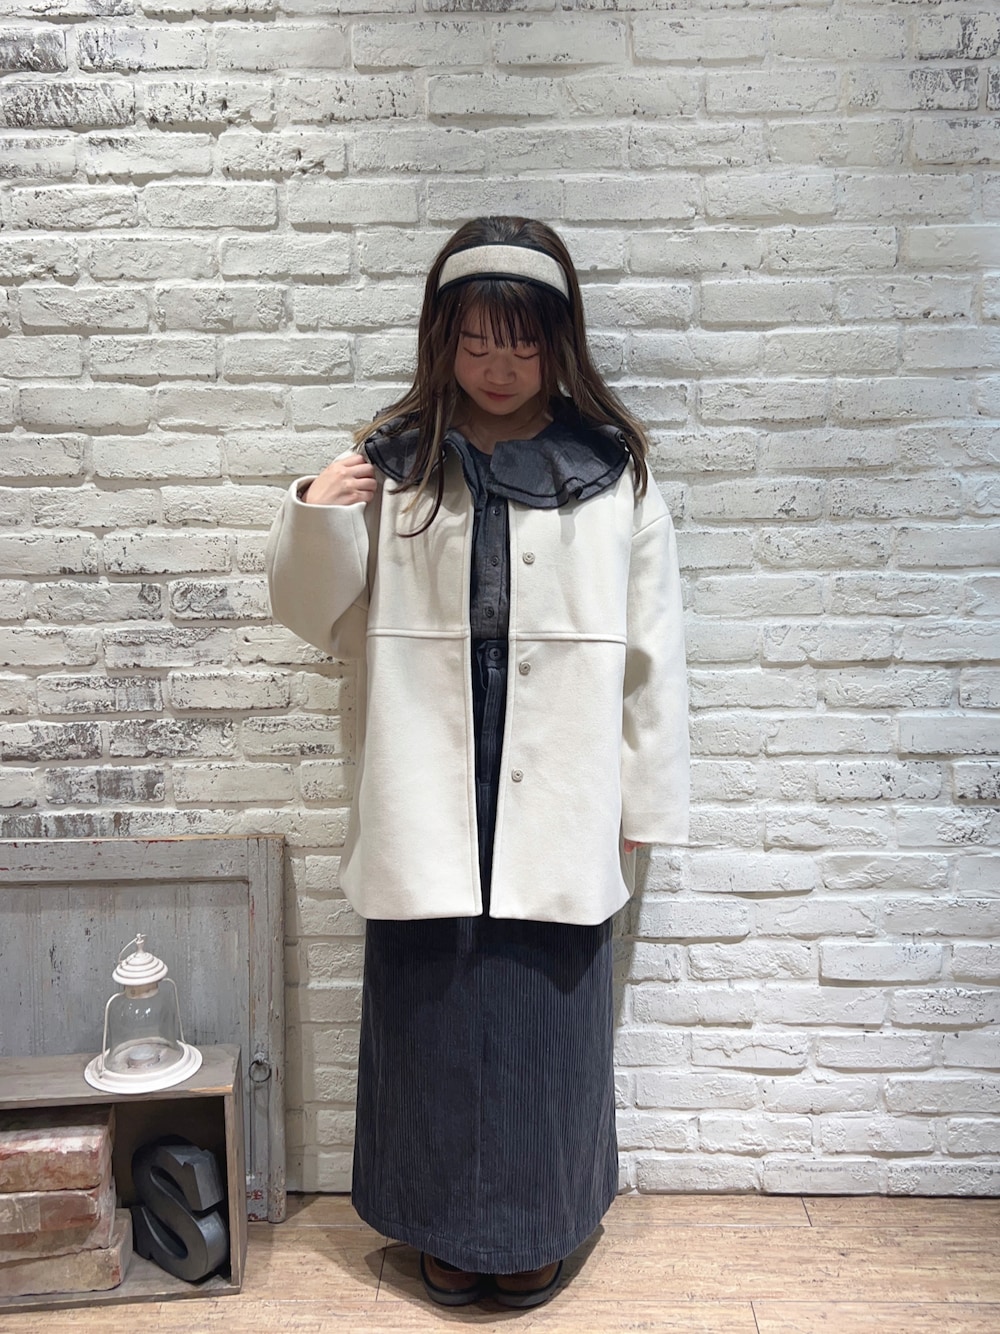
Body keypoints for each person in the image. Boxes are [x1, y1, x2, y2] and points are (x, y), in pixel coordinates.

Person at [265, 215, 689, 1308]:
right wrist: (316, 515)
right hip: (428, 756)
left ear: (560, 342)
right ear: (442, 340)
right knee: (435, 1000)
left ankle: (538, 1217)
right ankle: (440, 1219)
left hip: (564, 760)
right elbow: (315, 618)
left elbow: (653, 650)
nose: (498, 367)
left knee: (546, 1005)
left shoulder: (614, 469)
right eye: (475, 342)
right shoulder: (395, 460)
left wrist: (643, 800)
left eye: (522, 343)